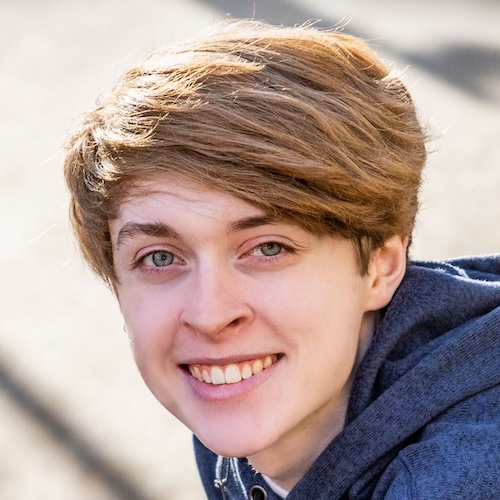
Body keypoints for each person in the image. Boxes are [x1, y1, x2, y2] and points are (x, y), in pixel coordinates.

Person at [63, 20, 500, 499]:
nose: (210, 316)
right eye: (161, 257)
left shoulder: (460, 476)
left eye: (269, 248)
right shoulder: (244, 403)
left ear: (381, 265)